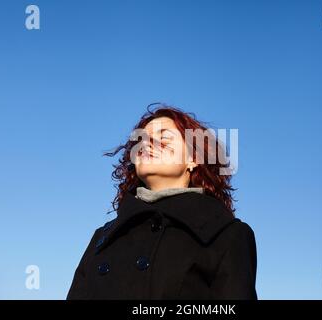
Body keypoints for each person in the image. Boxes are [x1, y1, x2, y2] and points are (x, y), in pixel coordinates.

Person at [67, 103, 258, 299]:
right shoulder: (103, 237)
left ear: (194, 159)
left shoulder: (227, 234)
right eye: (142, 140)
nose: (147, 144)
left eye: (164, 138)